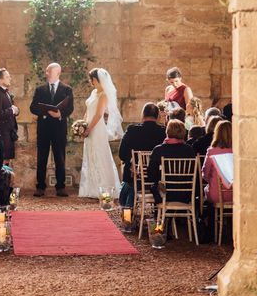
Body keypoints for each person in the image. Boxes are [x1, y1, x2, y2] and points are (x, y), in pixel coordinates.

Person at [30, 62, 74, 197]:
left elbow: (70, 108)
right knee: (41, 158)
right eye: (47, 71)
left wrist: (60, 114)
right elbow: (32, 107)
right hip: (43, 128)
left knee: (60, 158)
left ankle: (60, 187)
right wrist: (44, 112)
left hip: (59, 128)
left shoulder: (67, 89)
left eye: (49, 71)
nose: (47, 73)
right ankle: (40, 187)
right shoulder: (40, 89)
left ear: (58, 73)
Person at [78, 68, 123, 199]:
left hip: (97, 129)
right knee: (90, 155)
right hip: (89, 127)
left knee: (101, 156)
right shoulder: (94, 93)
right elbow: (88, 111)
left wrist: (89, 128)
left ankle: (107, 188)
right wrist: (82, 124)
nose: (90, 81)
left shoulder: (104, 95)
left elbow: (98, 114)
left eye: (92, 79)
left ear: (97, 80)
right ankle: (92, 188)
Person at [118, 102, 166, 207]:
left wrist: (131, 162)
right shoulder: (163, 132)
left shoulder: (132, 130)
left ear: (143, 115)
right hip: (157, 178)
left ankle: (128, 208)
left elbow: (122, 154)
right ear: (157, 116)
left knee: (124, 194)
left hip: (134, 177)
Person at [147, 119, 195, 205]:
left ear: (167, 131)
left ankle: (161, 213)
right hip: (186, 193)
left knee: (154, 186)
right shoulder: (189, 150)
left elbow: (151, 175)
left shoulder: (159, 149)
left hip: (165, 194)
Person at [0, 68, 20, 162]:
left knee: (7, 161)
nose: (10, 78)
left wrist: (16, 110)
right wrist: (11, 110)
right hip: (2, 133)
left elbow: (11, 109)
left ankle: (6, 177)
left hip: (9, 133)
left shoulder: (6, 92)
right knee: (2, 162)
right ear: (0, 80)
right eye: (7, 77)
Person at [202, 120, 233, 204]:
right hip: (236, 194)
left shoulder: (212, 151)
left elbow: (205, 174)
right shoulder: (238, 151)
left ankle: (211, 216)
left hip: (217, 195)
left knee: (206, 190)